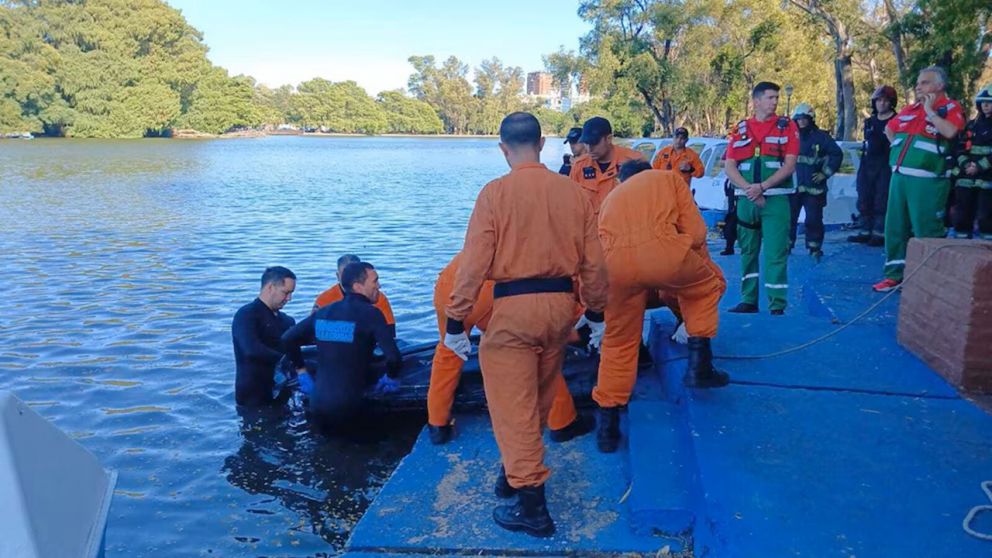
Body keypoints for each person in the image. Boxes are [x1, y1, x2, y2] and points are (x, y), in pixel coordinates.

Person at [444, 112, 607, 537]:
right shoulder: (574, 192)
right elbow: (594, 262)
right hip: (559, 308)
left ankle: (532, 508)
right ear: (543, 143)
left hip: (514, 310)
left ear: (503, 149)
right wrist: (595, 312)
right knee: (537, 396)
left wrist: (456, 319)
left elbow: (473, 263)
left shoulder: (494, 194)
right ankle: (512, 471)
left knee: (510, 403)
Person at [594, 161, 729, 452]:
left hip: (613, 268)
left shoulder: (611, 198)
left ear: (623, 179)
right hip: (661, 253)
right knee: (706, 287)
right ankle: (699, 364)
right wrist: (673, 248)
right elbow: (697, 233)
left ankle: (607, 425)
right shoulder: (668, 178)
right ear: (648, 170)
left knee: (618, 341)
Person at [425, 252, 594, 445]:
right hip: (487, 293)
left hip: (449, 284)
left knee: (449, 352)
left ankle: (438, 425)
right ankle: (563, 423)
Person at [873, 66, 966, 292]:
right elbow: (890, 128)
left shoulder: (949, 107)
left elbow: (951, 131)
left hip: (928, 181)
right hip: (899, 177)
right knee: (895, 228)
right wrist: (898, 146)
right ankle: (894, 275)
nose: (918, 86)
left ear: (939, 86)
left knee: (927, 230)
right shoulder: (909, 109)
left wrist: (930, 111)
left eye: (924, 82)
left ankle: (929, 279)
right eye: (917, 82)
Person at [282, 262, 402, 434]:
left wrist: (301, 371)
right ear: (358, 286)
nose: (379, 285)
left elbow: (287, 339)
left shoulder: (324, 313)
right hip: (351, 405)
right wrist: (391, 377)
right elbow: (393, 357)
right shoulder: (371, 314)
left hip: (317, 403)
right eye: (375, 281)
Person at [723, 81, 800, 315]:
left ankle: (777, 304)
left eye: (777, 97)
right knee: (747, 252)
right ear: (756, 101)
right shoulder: (741, 129)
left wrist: (762, 187)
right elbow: (729, 166)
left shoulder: (787, 126)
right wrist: (749, 189)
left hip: (775, 200)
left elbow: (789, 166)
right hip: (746, 200)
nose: (775, 101)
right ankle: (749, 300)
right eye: (770, 97)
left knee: (776, 252)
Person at [231, 266, 297, 407]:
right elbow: (250, 349)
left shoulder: (287, 320)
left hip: (282, 394)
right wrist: (285, 360)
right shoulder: (246, 315)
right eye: (285, 293)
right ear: (270, 287)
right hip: (252, 397)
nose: (289, 299)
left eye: (292, 293)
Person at [788, 103, 843, 261]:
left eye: (805, 119)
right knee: (788, 218)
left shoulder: (821, 137)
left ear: (811, 119)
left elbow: (836, 154)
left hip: (814, 188)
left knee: (813, 219)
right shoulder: (790, 136)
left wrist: (824, 174)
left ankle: (814, 248)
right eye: (799, 119)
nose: (802, 122)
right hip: (793, 187)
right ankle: (786, 245)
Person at [849, 85, 898, 246]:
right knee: (864, 196)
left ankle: (880, 233)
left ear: (891, 103)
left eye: (885, 101)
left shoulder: (896, 121)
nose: (882, 104)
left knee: (881, 198)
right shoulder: (869, 122)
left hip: (886, 164)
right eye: (879, 100)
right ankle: (864, 230)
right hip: (868, 163)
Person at [569, 116, 644, 212]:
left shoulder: (635, 162)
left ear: (609, 139)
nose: (590, 149)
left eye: (594, 143)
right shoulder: (579, 166)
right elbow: (572, 204)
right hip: (592, 226)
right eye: (586, 143)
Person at [313, 254, 396, 337]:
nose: (349, 278)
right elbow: (312, 333)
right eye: (345, 275)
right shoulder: (324, 299)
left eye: (354, 275)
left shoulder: (378, 297)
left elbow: (390, 332)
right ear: (338, 276)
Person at [950, 84, 992, 239]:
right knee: (962, 211)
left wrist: (979, 166)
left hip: (987, 177)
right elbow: (960, 147)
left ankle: (987, 246)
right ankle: (961, 242)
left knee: (986, 214)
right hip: (966, 177)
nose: (986, 105)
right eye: (983, 102)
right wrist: (965, 164)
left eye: (990, 102)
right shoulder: (971, 125)